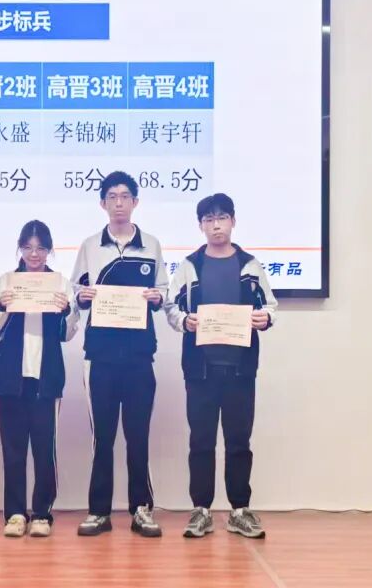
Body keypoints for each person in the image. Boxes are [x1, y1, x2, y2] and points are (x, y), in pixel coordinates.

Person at [166, 193, 277, 539]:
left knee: (239, 441)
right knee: (201, 441)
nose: (216, 225)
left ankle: (239, 510)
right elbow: (171, 307)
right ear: (201, 225)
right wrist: (184, 321)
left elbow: (271, 306)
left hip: (240, 369)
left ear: (233, 221)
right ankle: (201, 511)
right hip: (200, 370)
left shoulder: (250, 265)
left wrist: (265, 318)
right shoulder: (189, 266)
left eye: (222, 218)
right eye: (209, 219)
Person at [71, 170, 170, 538]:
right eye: (111, 197)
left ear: (135, 202)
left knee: (138, 436)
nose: (118, 203)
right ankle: (99, 511)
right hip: (100, 355)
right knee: (103, 438)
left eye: (124, 196)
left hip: (140, 354)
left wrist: (157, 297)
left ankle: (141, 509)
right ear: (102, 203)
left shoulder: (152, 245)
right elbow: (75, 292)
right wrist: (81, 296)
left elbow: (164, 292)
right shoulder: (89, 246)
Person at [0, 220, 79, 538]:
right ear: (20, 249)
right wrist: (2, 305)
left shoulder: (60, 283)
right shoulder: (6, 281)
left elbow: (68, 333)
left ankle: (42, 513)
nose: (34, 254)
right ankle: (14, 514)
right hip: (10, 377)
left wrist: (65, 311)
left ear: (49, 250)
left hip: (46, 377)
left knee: (43, 449)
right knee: (12, 449)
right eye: (28, 248)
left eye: (40, 248)